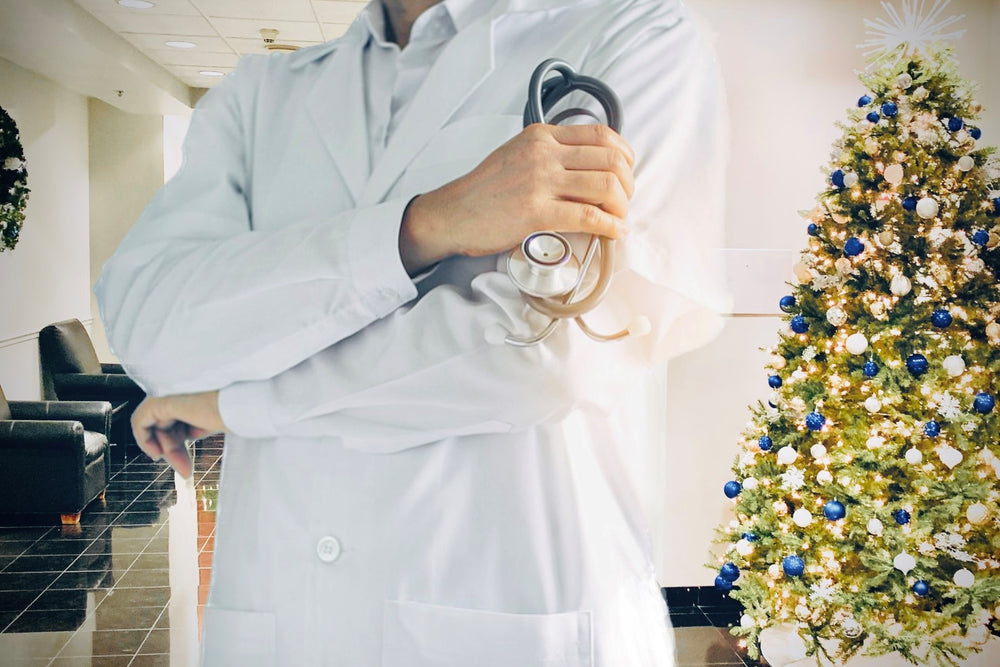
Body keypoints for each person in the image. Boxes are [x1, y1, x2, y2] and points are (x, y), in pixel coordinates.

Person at [96, 0, 728, 663]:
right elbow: (150, 326)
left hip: (519, 617)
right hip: (279, 625)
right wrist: (421, 227)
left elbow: (546, 357)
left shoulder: (638, 35)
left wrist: (236, 402)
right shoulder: (257, 93)